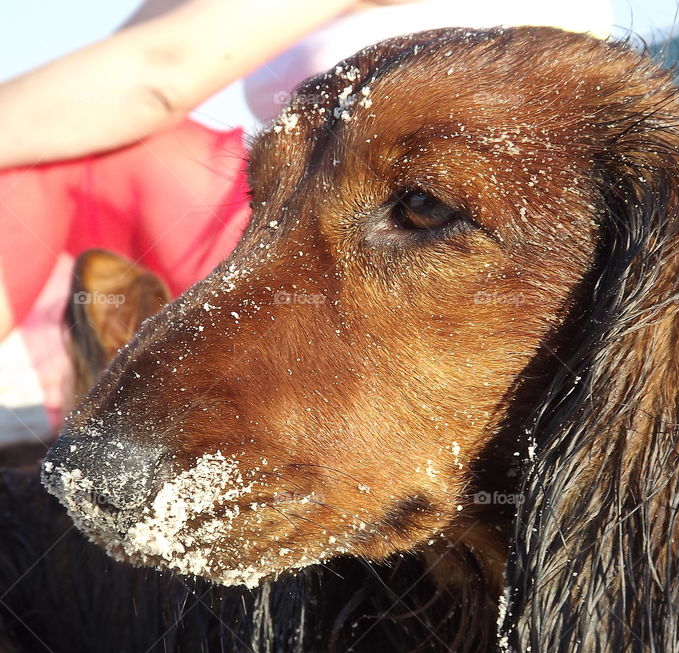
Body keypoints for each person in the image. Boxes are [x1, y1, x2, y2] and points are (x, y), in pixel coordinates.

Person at [0, 0, 612, 433]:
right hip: (278, 205)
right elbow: (113, 62)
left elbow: (154, 78)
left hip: (408, 232)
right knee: (48, 148)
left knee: (40, 162)